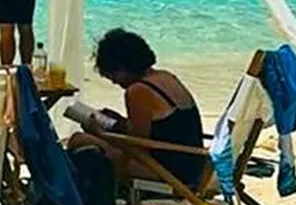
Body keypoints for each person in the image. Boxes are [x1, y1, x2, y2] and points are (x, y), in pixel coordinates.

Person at [73, 28, 207, 188]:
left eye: (112, 74)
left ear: (123, 66)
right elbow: (160, 129)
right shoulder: (165, 77)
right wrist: (120, 123)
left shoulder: (138, 90)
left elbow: (137, 147)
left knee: (79, 140)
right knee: (88, 143)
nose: (113, 81)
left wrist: (100, 133)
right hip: (193, 163)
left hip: (169, 172)